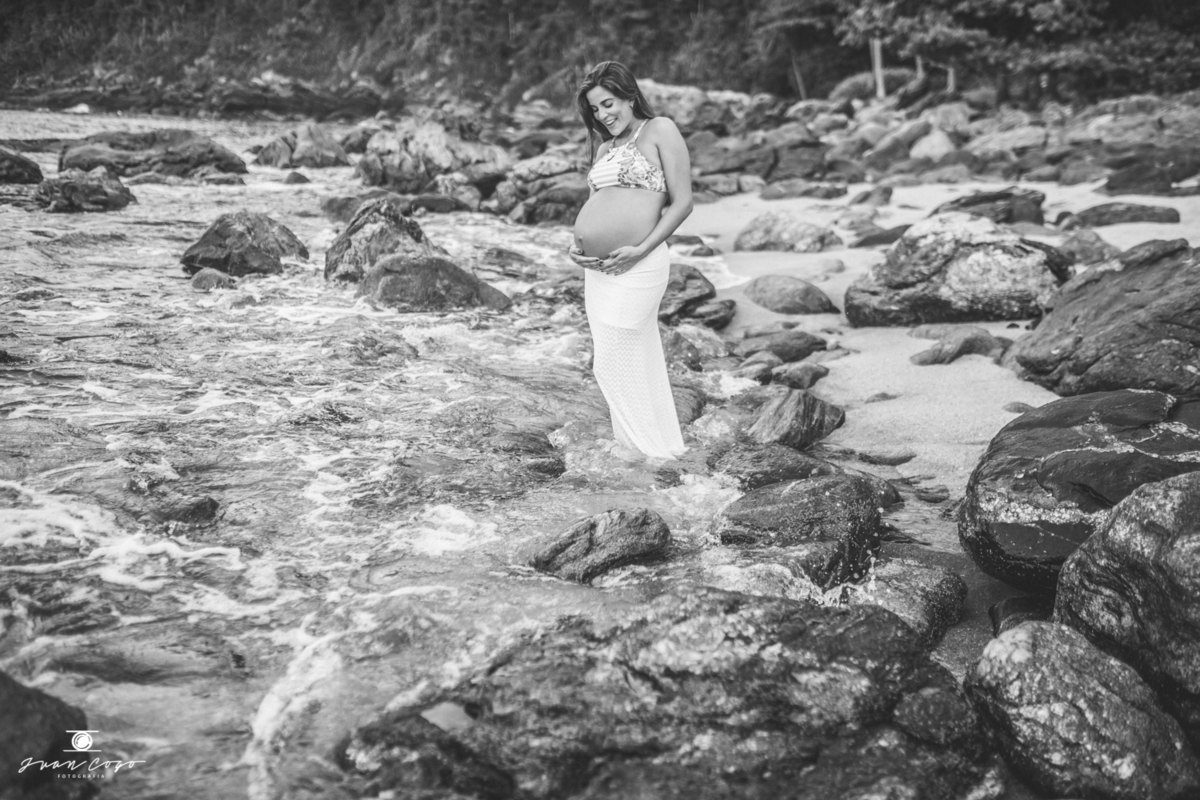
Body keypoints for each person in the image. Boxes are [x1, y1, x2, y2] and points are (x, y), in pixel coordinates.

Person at [568, 60, 694, 461]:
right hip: (600, 274)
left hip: (641, 262)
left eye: (608, 104)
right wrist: (578, 246)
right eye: (595, 109)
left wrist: (642, 248)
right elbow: (598, 202)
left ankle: (649, 455)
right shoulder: (606, 148)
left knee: (610, 362)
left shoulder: (659, 130)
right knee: (637, 355)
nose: (603, 115)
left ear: (629, 96)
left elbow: (683, 202)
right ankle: (651, 448)